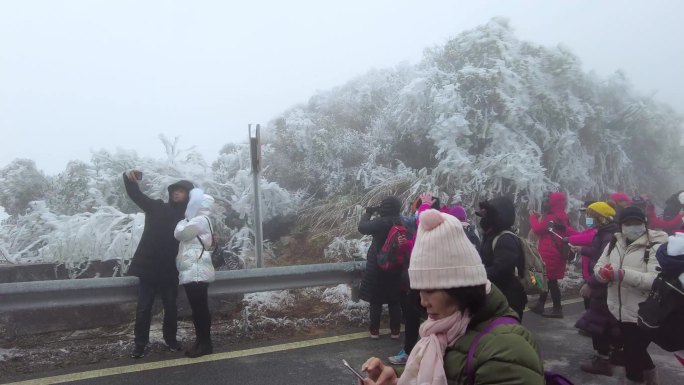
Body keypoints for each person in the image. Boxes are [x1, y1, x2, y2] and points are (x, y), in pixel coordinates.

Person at [359, 209, 544, 385]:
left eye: (430, 290)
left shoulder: (505, 351)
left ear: (459, 287)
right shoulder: (444, 332)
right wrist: (398, 380)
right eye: (420, 291)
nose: (423, 301)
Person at [123, 170, 194, 359]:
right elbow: (135, 195)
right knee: (144, 307)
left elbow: (200, 238)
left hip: (171, 269)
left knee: (170, 307)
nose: (177, 193)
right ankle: (140, 344)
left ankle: (170, 340)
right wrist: (129, 179)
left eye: (182, 191)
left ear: (189, 196)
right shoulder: (157, 207)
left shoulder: (190, 218)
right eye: (175, 190)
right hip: (149, 266)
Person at [593, 206, 667, 384]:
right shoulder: (614, 243)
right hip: (619, 310)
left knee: (632, 357)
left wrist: (622, 274)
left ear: (644, 224)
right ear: (621, 225)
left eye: (637, 222)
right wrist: (602, 273)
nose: (632, 226)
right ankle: (651, 379)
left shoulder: (657, 245)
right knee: (636, 350)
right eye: (627, 223)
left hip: (644, 311)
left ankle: (636, 380)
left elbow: (655, 280)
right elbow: (599, 266)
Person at [574, 202, 623, 376]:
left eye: (591, 215)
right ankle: (614, 355)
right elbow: (598, 253)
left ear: (600, 217)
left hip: (602, 285)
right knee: (609, 322)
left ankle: (603, 361)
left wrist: (591, 284)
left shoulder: (609, 236)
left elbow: (606, 264)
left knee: (598, 323)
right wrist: (583, 250)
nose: (588, 219)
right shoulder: (605, 233)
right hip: (604, 284)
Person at [174, 188, 216, 358]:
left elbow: (180, 233)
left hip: (197, 270)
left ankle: (205, 344)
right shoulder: (199, 219)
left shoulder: (200, 220)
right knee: (198, 309)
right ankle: (201, 342)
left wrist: (181, 222)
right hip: (194, 269)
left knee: (200, 309)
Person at [358, 196, 405, 339]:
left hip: (377, 267)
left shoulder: (380, 223)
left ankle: (374, 331)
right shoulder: (402, 221)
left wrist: (368, 212)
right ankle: (396, 331)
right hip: (396, 266)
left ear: (384, 208)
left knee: (376, 300)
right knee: (395, 300)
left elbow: (362, 227)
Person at [476, 196, 527, 319]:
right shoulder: (491, 235)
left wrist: (476, 273)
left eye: (487, 215)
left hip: (508, 299)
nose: (484, 219)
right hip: (496, 295)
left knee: (506, 332)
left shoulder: (505, 238)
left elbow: (502, 270)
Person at [529, 192, 576, 318]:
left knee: (550, 281)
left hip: (550, 253)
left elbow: (537, 229)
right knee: (549, 280)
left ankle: (557, 309)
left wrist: (533, 217)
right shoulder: (562, 215)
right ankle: (541, 304)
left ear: (552, 203)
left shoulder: (551, 217)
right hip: (558, 252)